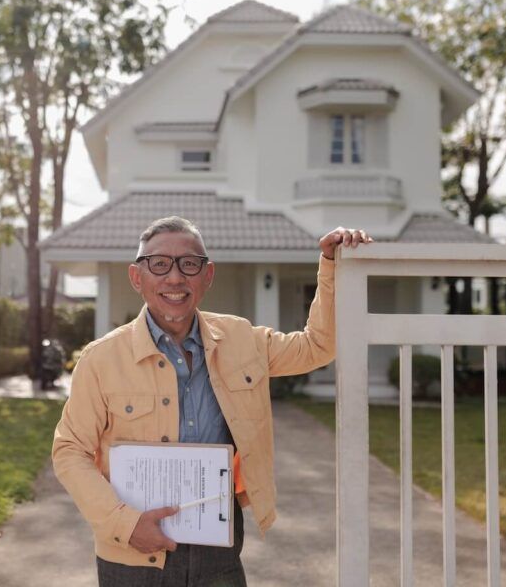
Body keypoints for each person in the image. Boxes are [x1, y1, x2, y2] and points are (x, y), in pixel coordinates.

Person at [52, 217, 372, 586]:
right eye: (159, 264)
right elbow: (70, 451)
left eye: (189, 264)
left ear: (207, 276)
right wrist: (126, 523)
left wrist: (331, 265)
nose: (175, 278)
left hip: (217, 548)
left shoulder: (241, 339)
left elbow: (317, 347)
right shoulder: (100, 359)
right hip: (132, 552)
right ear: (136, 277)